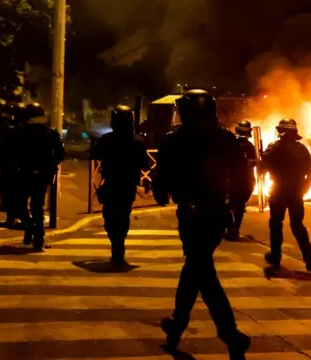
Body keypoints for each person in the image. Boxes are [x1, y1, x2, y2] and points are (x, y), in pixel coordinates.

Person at [153, 89, 251, 359]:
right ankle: (177, 324)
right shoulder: (227, 140)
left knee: (202, 273)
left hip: (190, 214)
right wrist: (233, 206)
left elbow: (161, 183)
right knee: (196, 268)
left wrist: (162, 193)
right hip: (217, 215)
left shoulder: (173, 142)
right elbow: (245, 181)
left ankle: (231, 335)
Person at [91, 105, 149, 264]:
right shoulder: (137, 141)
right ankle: (119, 246)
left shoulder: (107, 139)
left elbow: (94, 155)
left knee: (110, 216)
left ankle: (116, 246)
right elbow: (145, 164)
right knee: (123, 215)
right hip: (128, 185)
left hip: (111, 183)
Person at [262, 118, 311, 272]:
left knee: (276, 224)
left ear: (281, 131)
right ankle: (309, 258)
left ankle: (275, 258)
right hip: (296, 193)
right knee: (298, 225)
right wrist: (304, 188)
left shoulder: (274, 147)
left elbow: (262, 165)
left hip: (279, 191)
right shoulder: (302, 149)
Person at [12, 102, 64, 250]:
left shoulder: (19, 132)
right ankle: (38, 240)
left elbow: (12, 152)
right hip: (41, 175)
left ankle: (29, 228)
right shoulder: (50, 133)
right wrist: (48, 167)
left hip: (24, 173)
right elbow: (60, 153)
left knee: (19, 204)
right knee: (37, 207)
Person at [224, 120, 257, 241]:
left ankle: (229, 229)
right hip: (245, 181)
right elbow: (253, 163)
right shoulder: (250, 147)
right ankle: (234, 231)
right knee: (239, 206)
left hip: (231, 179)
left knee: (229, 204)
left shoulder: (230, 144)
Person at [0, 102, 24, 227]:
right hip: (16, 164)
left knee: (11, 191)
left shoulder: (12, 130)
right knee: (12, 190)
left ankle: (13, 217)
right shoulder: (20, 128)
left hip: (12, 165)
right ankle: (15, 217)